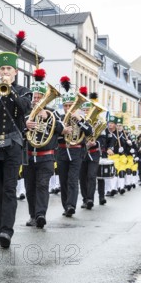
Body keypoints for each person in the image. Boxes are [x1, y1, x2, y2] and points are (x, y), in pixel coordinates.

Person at [0, 30, 32, 249]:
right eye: (1, 69)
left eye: (8, 69)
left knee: (9, 188)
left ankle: (7, 231)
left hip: (13, 146)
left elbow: (23, 108)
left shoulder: (24, 91)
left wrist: (9, 91)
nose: (4, 72)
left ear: (15, 72)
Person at [23, 68, 63, 228]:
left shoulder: (53, 113)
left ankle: (40, 215)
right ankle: (33, 215)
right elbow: (17, 128)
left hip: (46, 156)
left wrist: (48, 117)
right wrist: (25, 125)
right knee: (29, 187)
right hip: (28, 155)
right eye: (35, 96)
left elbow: (62, 128)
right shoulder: (25, 112)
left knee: (42, 185)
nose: (37, 99)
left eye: (40, 96)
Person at [56, 79, 93, 217]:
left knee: (72, 179)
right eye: (66, 105)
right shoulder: (58, 117)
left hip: (77, 151)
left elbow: (89, 132)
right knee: (63, 180)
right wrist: (62, 130)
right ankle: (66, 206)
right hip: (62, 151)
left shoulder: (82, 118)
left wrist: (80, 120)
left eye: (71, 105)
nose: (68, 108)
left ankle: (71, 205)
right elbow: (54, 134)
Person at [79, 90, 101, 210]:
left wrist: (95, 142)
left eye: (88, 110)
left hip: (94, 153)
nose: (86, 112)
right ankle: (84, 198)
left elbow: (101, 138)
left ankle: (90, 199)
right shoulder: (79, 122)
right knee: (82, 177)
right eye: (85, 110)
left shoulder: (97, 122)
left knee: (91, 176)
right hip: (82, 152)